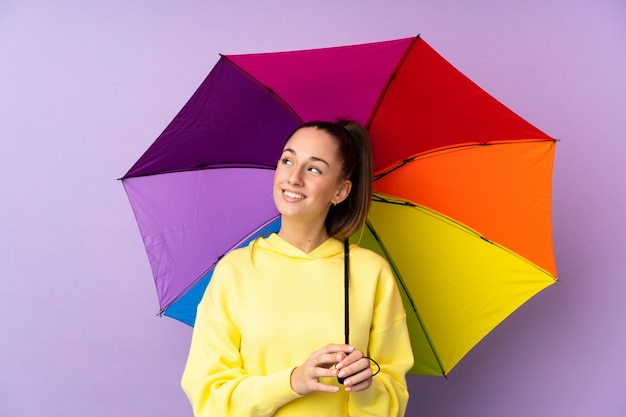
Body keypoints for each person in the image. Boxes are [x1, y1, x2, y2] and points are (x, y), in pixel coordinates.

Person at [181, 120, 413, 416]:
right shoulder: (234, 271)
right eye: (288, 161)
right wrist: (293, 381)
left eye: (314, 169)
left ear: (340, 191)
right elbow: (209, 398)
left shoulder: (370, 273)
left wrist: (368, 386)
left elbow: (392, 402)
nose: (294, 177)